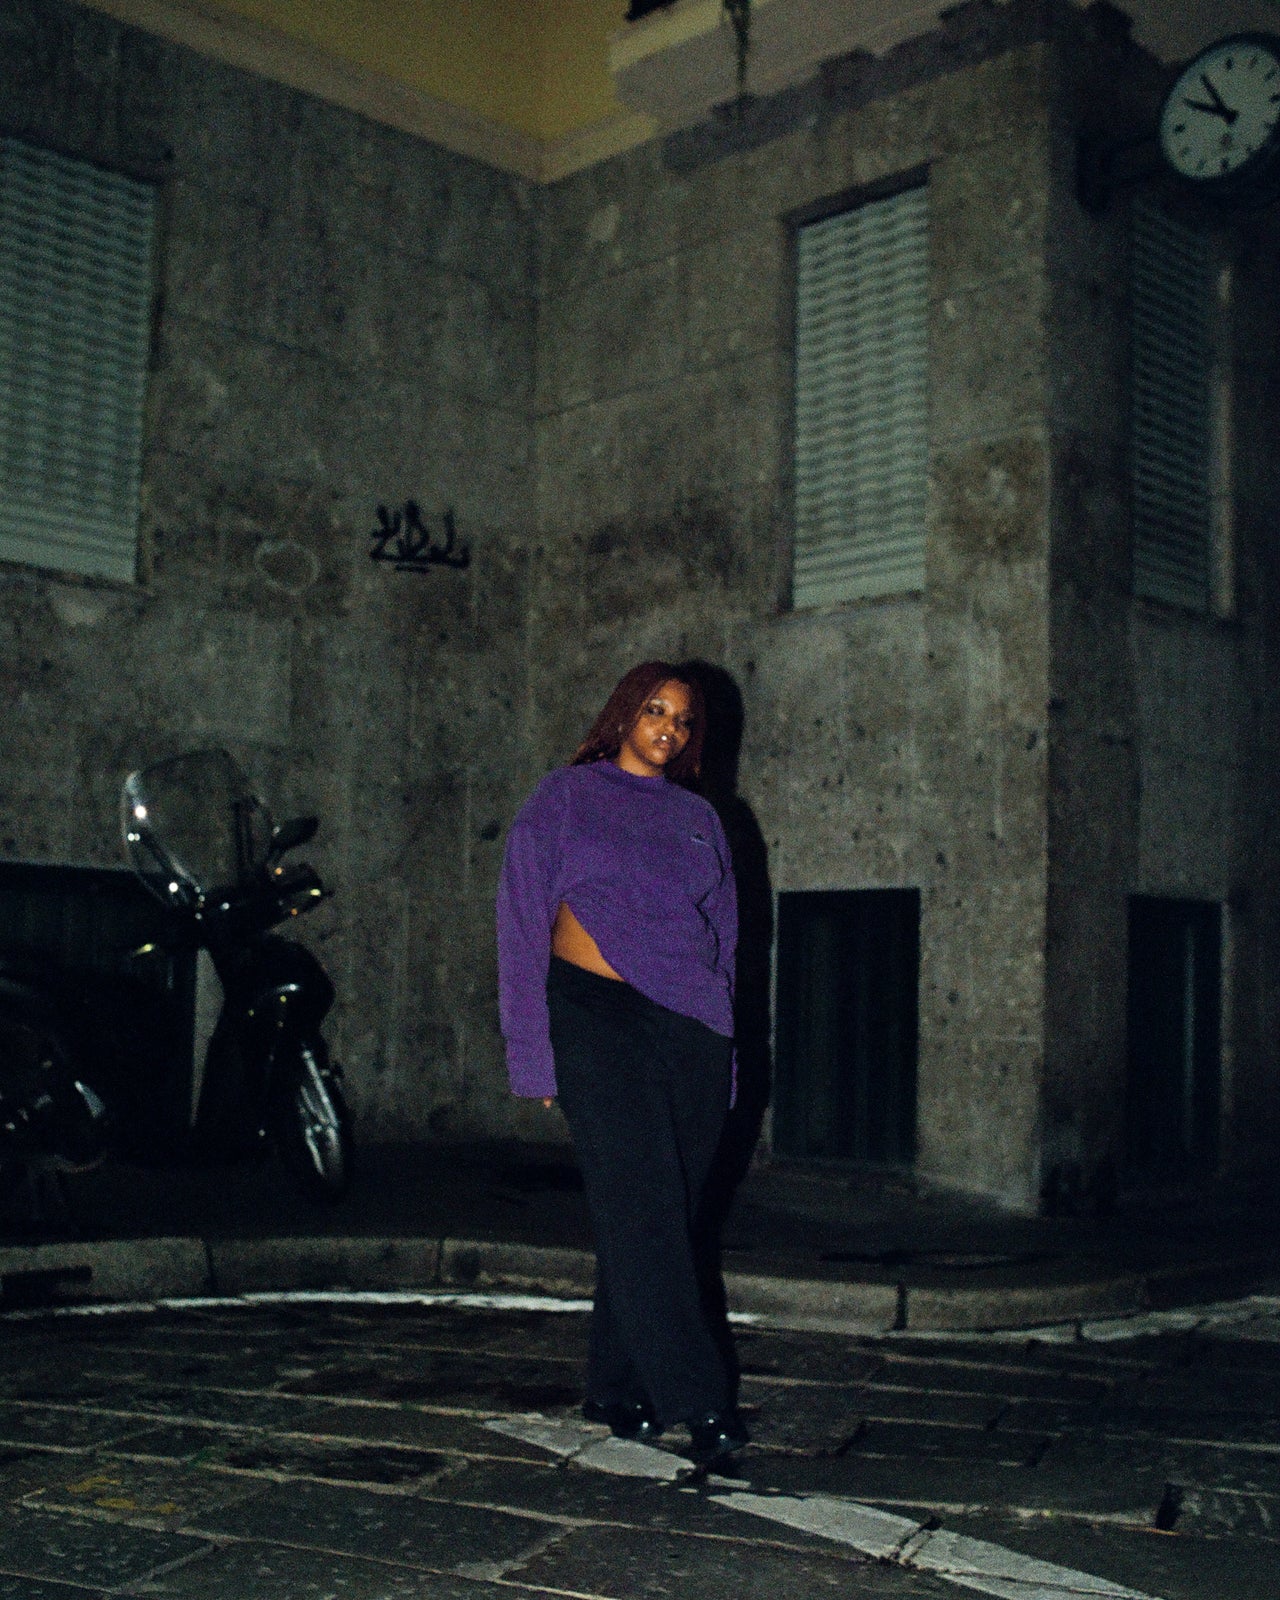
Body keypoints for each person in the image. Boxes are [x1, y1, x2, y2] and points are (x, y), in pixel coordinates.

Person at [496, 660, 748, 1464]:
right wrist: (532, 1054)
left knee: (662, 1214)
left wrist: (727, 1052)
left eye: (683, 719)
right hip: (595, 1017)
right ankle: (699, 1398)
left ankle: (614, 1384)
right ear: (624, 715)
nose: (669, 728)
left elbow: (727, 940)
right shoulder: (564, 797)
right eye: (655, 711)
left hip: (693, 1029)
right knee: (644, 1205)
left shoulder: (700, 818)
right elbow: (520, 925)